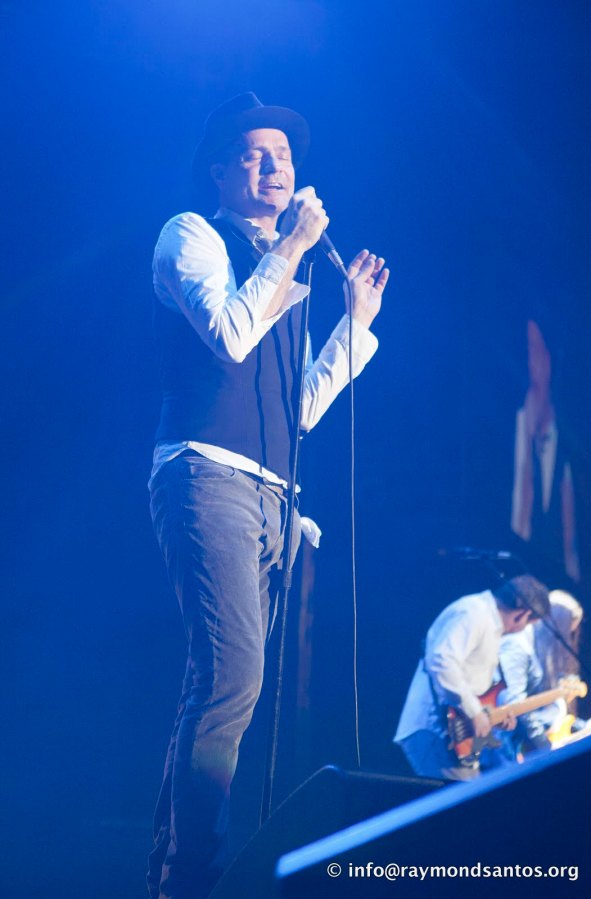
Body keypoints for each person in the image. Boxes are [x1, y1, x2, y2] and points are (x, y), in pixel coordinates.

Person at [146, 92, 389, 899]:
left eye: (282, 155)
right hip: (206, 472)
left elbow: (299, 408)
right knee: (232, 678)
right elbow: (228, 335)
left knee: (222, 686)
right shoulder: (191, 235)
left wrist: (355, 323)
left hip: (275, 495)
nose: (273, 166)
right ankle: (191, 877)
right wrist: (289, 249)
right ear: (220, 170)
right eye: (253, 154)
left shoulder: (288, 266)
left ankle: (177, 870)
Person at [393, 575, 550, 781]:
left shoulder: (487, 622)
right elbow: (441, 661)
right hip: (435, 730)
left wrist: (493, 716)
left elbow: (471, 684)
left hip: (454, 735)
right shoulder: (474, 613)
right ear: (523, 615)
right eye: (530, 624)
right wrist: (474, 712)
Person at [510, 319, 580, 584]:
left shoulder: (567, 435)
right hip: (519, 577)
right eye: (527, 349)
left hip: (561, 581)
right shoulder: (517, 422)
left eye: (536, 349)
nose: (532, 360)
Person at [498, 590, 585, 758]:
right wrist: (546, 750)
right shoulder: (517, 645)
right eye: (566, 633)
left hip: (524, 740)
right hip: (505, 747)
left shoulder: (536, 647)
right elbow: (515, 706)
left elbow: (541, 710)